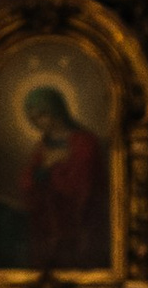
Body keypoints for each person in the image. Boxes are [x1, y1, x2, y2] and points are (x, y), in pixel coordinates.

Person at [15, 81, 112, 270]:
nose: (37, 123)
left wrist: (52, 171)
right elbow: (27, 182)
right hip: (46, 226)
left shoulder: (84, 142)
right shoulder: (42, 146)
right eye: (33, 119)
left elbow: (82, 185)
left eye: (42, 115)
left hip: (79, 225)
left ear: (57, 111)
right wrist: (43, 171)